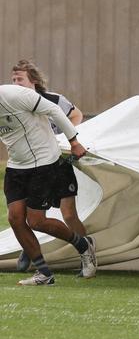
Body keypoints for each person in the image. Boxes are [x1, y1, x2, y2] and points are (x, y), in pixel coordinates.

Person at [0, 84, 96, 286]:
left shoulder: (15, 95)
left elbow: (53, 110)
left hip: (44, 161)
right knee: (15, 218)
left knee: (36, 221)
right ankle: (44, 274)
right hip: (16, 166)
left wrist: (74, 141)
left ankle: (83, 245)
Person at [11, 59, 88, 273]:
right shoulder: (14, 105)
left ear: (33, 81)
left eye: (20, 79)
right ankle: (30, 249)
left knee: (69, 214)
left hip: (59, 163)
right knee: (26, 213)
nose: (15, 83)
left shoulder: (53, 100)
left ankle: (87, 254)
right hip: (32, 165)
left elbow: (76, 114)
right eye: (13, 80)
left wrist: (65, 138)